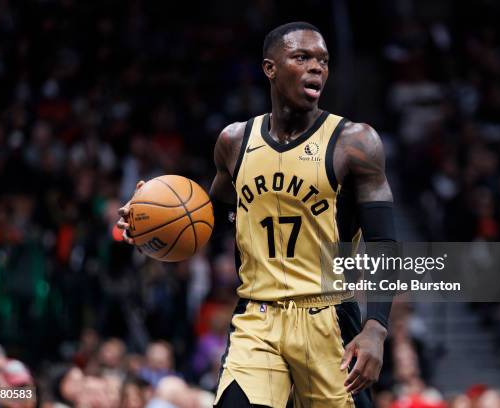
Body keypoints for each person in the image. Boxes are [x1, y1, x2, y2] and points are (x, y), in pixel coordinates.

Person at [117, 21, 395, 407]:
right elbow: (205, 220)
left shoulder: (355, 142)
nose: (317, 67)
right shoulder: (234, 142)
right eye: (302, 57)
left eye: (324, 61)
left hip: (327, 317)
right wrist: (148, 227)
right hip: (257, 317)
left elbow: (384, 242)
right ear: (270, 68)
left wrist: (376, 328)